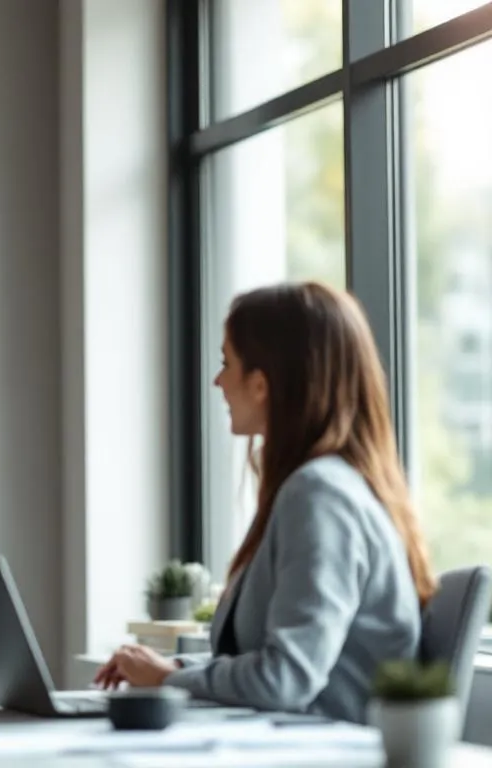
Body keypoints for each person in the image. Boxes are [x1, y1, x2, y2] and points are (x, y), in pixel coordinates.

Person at [94, 281, 437, 725]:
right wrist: (173, 669)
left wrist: (166, 680)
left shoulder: (321, 495)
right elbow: (274, 666)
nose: (218, 381)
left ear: (261, 384)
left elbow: (285, 679)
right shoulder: (321, 487)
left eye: (226, 363)